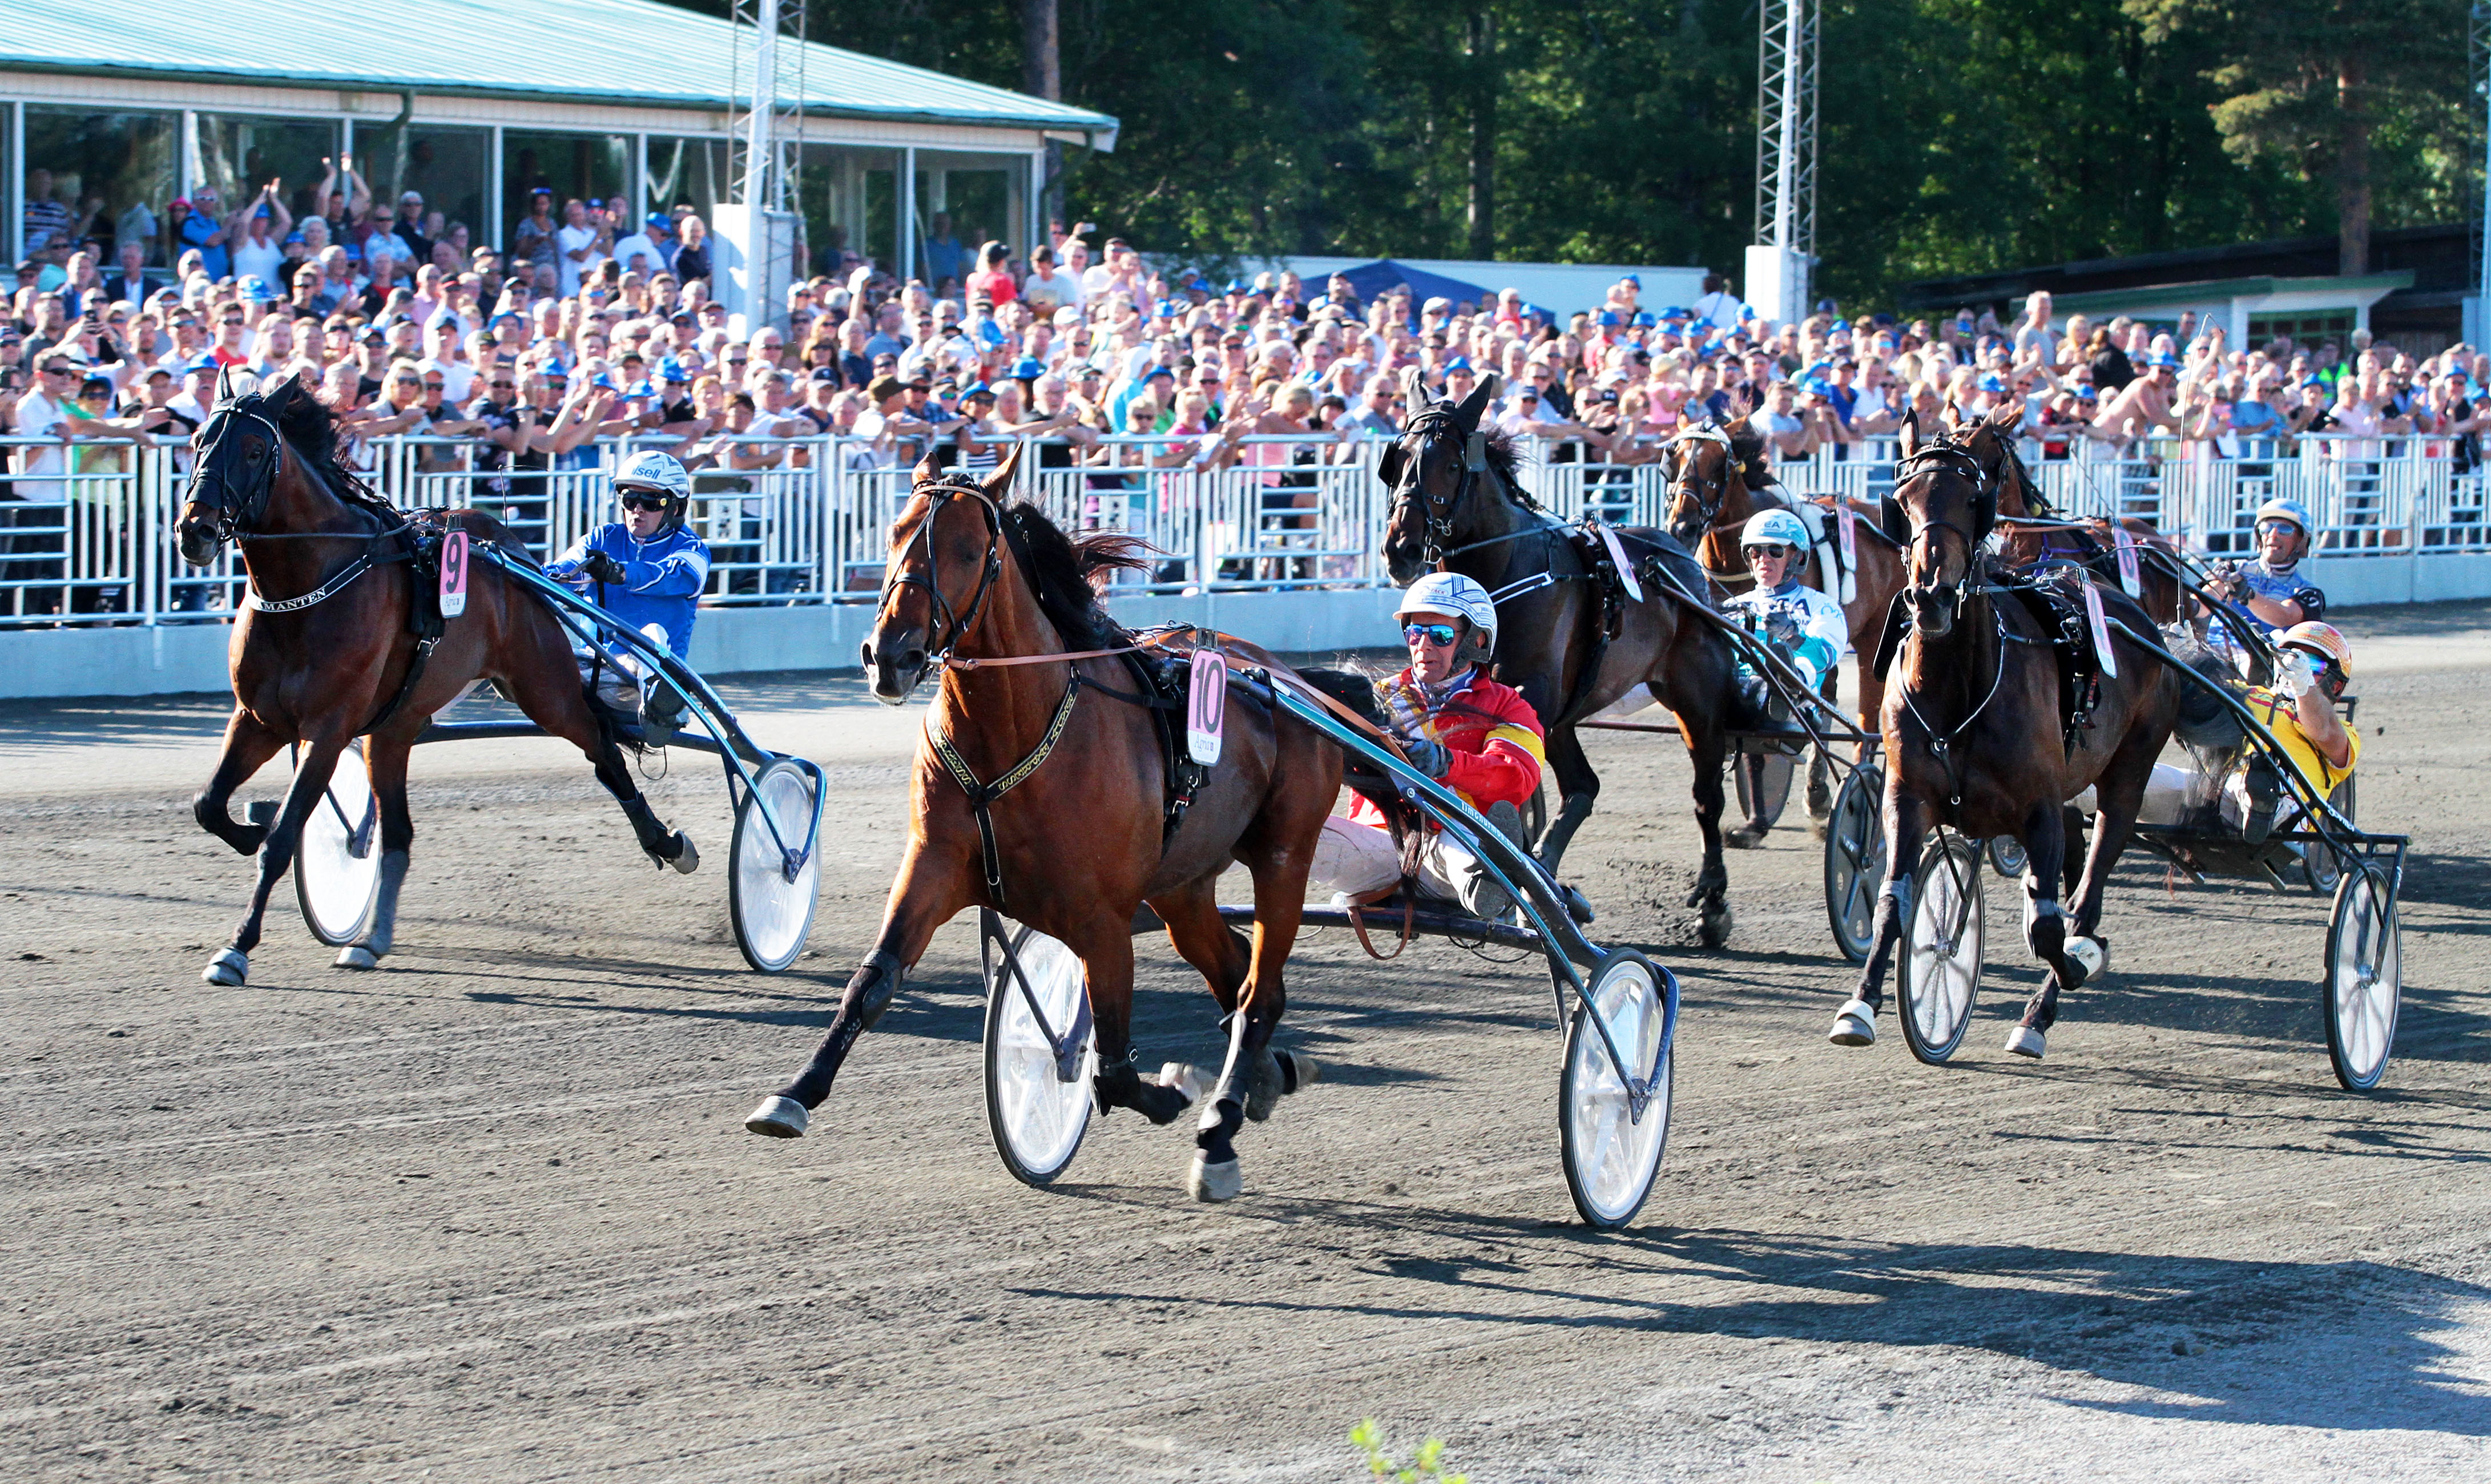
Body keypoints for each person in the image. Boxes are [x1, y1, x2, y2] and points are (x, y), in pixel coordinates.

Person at [1305, 572, 1544, 920]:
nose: (1423, 645)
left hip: (1454, 843)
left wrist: (1446, 763)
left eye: (1440, 635)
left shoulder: (1508, 706)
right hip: (1380, 851)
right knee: (1284, 829)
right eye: (1415, 633)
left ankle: (1491, 881)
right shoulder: (1379, 696)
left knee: (1459, 844)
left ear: (1476, 641)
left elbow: (1516, 777)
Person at [2139, 622, 2359, 854]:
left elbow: (2324, 731)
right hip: (2212, 794)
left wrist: (2304, 687)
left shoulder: (2343, 732)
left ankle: (2261, 800)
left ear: (2336, 686)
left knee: (2262, 778)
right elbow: (2202, 694)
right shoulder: (2248, 693)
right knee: (2135, 776)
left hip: (2284, 816)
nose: (2291, 665)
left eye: (2311, 664)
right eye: (2287, 657)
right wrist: (2184, 658)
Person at [543, 451, 710, 747]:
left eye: (652, 502)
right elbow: (562, 574)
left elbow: (668, 576)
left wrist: (620, 573)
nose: (638, 510)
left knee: (652, 633)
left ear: (675, 507)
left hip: (639, 676)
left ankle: (661, 707)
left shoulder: (692, 549)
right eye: (630, 499)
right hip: (592, 667)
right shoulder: (602, 538)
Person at [1722, 509, 1848, 733]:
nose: (1764, 559)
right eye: (1756, 551)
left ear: (1797, 557)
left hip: (1797, 712)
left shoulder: (1822, 605)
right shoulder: (1731, 606)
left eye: (1775, 550)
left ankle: (1783, 690)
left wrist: (1792, 636)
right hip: (1733, 695)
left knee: (1800, 663)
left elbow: (1824, 657)